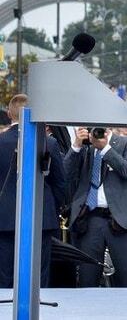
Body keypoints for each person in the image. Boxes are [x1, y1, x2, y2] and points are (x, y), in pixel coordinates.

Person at [0, 94, 66, 288]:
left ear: (10, 114)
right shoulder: (48, 143)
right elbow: (60, 183)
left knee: (4, 273)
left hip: (4, 218)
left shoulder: (1, 141)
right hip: (40, 217)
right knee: (38, 273)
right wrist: (55, 208)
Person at [65, 125, 127, 287]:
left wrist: (105, 148)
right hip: (90, 219)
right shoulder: (86, 147)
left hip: (121, 220)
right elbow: (66, 174)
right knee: (87, 278)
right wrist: (77, 146)